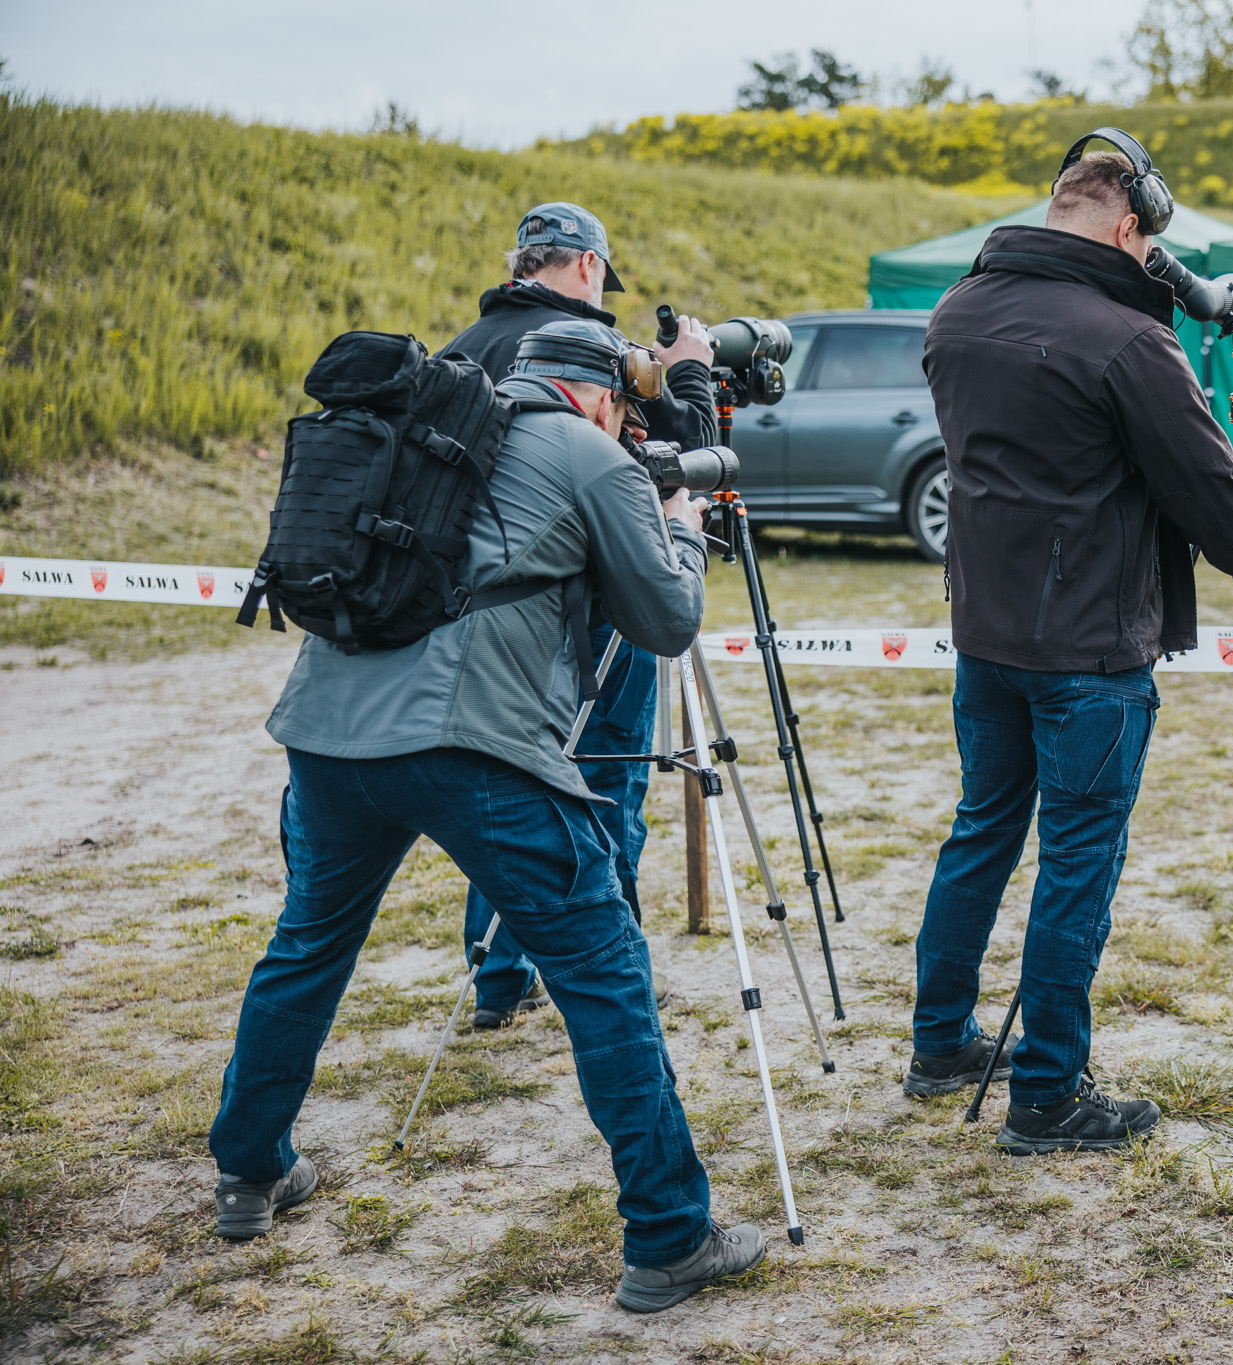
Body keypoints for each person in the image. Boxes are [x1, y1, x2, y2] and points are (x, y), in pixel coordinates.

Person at [210, 319, 766, 1309]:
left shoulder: (424, 431)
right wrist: (677, 522)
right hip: (473, 746)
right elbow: (666, 622)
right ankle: (671, 1235)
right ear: (603, 396)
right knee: (602, 973)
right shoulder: (589, 451)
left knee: (306, 945)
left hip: (327, 733)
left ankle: (248, 1173)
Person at [905, 135, 1233, 1154]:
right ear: (1129, 224)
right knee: (1076, 865)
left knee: (981, 832)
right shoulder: (1124, 340)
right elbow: (1208, 485)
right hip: (1087, 647)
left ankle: (938, 1044)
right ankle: (1048, 1094)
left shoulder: (957, 310)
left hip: (986, 629)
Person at [439, 203, 719, 1029]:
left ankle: (497, 980)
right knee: (608, 782)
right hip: (606, 603)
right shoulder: (597, 356)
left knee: (506, 785)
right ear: (590, 266)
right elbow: (682, 465)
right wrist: (690, 372)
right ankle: (609, 965)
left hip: (494, 618)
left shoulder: (462, 351)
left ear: (518, 262)